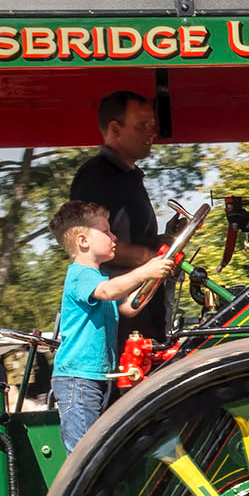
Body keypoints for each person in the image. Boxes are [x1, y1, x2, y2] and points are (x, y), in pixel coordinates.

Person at [48, 201, 173, 452]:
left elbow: (129, 307)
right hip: (79, 378)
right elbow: (107, 292)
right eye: (106, 231)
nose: (114, 237)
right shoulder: (81, 275)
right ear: (83, 241)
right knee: (84, 454)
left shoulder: (98, 277)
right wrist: (144, 271)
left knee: (97, 450)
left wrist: (155, 277)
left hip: (96, 377)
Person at [69, 90, 172, 351]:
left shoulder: (128, 177)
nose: (152, 133)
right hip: (115, 324)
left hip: (139, 313)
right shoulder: (97, 177)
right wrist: (150, 258)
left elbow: (131, 239)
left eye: (152, 125)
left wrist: (164, 241)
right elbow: (90, 249)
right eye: (142, 125)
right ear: (115, 129)